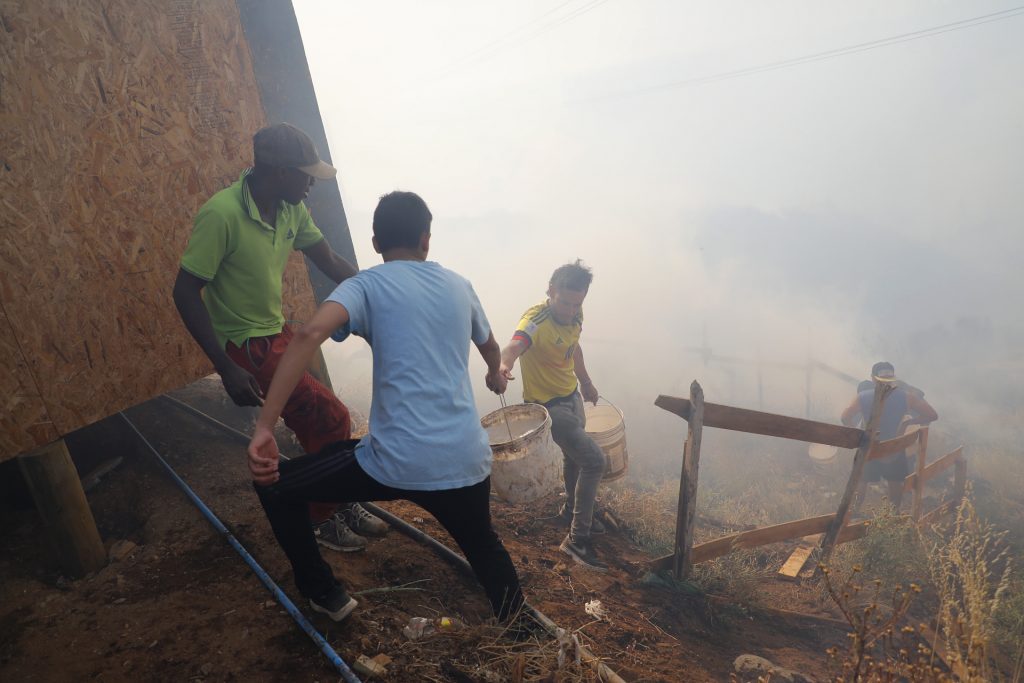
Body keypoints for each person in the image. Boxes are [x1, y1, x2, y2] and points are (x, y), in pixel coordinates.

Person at [246, 191, 525, 625]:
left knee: (276, 485)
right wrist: (495, 375)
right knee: (485, 547)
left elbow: (306, 337)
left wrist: (266, 425)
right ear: (426, 240)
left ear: (375, 242)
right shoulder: (458, 285)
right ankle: (521, 631)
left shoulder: (364, 286)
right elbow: (490, 347)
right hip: (465, 460)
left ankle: (326, 593)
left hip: (392, 462)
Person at [173, 122, 387, 552]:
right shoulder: (222, 214)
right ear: (280, 172)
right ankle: (318, 516)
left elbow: (327, 259)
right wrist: (224, 365)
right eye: (306, 174)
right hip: (246, 347)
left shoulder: (290, 208)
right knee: (332, 418)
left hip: (274, 334)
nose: (311, 183)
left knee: (316, 422)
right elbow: (184, 291)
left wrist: (381, 294)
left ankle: (336, 497)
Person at [499, 261, 608, 571]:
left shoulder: (576, 313)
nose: (570, 310)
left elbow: (573, 348)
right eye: (564, 302)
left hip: (572, 397)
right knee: (594, 461)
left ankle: (572, 510)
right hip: (549, 408)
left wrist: (586, 383)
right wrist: (502, 366)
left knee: (574, 459)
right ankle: (577, 540)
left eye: (577, 303)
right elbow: (514, 345)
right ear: (550, 291)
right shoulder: (536, 320)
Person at [841, 361, 938, 512]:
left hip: (869, 447)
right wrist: (909, 423)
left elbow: (845, 416)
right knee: (894, 484)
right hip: (894, 448)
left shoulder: (862, 397)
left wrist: (858, 434)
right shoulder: (907, 397)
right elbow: (932, 415)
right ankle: (892, 518)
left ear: (873, 379)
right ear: (893, 378)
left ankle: (852, 514)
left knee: (861, 481)